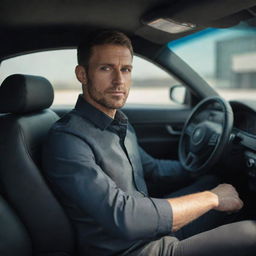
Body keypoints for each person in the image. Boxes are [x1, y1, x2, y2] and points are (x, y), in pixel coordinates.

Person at [42, 30, 256, 256]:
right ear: (82, 74)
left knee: (214, 180)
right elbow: (123, 216)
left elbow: (153, 169)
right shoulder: (67, 140)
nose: (119, 80)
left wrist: (205, 164)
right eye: (106, 68)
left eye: (125, 69)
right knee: (250, 235)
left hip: (151, 231)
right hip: (132, 250)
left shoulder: (119, 122)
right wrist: (212, 198)